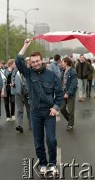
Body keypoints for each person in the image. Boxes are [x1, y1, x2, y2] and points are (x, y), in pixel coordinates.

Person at [15, 39, 63, 176]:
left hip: (49, 112)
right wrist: (25, 45)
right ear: (30, 62)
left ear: (42, 60)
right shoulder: (28, 73)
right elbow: (18, 61)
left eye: (38, 61)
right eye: (33, 62)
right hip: (35, 112)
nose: (36, 64)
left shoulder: (52, 75)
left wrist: (55, 107)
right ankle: (42, 163)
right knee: (38, 140)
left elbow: (59, 94)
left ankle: (52, 164)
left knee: (51, 140)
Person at [60, 57, 78, 131]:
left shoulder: (73, 71)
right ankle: (70, 120)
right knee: (62, 108)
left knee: (71, 110)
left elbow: (74, 84)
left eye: (62, 62)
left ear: (66, 63)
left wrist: (68, 93)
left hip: (70, 94)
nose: (61, 63)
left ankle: (70, 125)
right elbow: (61, 82)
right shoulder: (63, 71)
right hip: (63, 92)